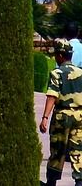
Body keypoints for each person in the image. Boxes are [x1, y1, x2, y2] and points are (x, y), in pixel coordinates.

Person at [46, 41, 82, 182]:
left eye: (56, 54)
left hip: (62, 115)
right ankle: (79, 180)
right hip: (80, 116)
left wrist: (44, 117)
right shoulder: (81, 72)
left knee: (57, 150)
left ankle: (52, 181)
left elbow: (51, 96)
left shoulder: (57, 73)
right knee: (78, 150)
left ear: (61, 55)